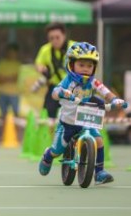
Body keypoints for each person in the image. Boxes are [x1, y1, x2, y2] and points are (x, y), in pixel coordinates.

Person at [38, 42, 127, 185]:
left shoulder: (93, 83)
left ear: (94, 68)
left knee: (98, 139)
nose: (86, 69)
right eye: (81, 65)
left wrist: (116, 99)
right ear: (71, 65)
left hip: (86, 119)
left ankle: (99, 172)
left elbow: (105, 92)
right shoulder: (68, 81)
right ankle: (47, 156)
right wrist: (62, 93)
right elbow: (55, 92)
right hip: (67, 123)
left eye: (89, 66)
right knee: (57, 150)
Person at [34, 22, 76, 121]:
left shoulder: (75, 47)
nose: (55, 41)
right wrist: (42, 69)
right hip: (54, 88)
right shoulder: (45, 49)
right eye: (51, 38)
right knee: (48, 116)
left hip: (73, 88)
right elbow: (38, 63)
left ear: (64, 35)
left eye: (57, 37)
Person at [0, 43, 21, 120]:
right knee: (3, 115)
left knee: (15, 114)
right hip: (2, 92)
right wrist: (9, 78)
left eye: (13, 52)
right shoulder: (2, 63)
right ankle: (4, 131)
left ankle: (16, 131)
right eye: (10, 52)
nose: (11, 54)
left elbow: (15, 78)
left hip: (14, 93)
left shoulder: (17, 64)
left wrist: (4, 78)